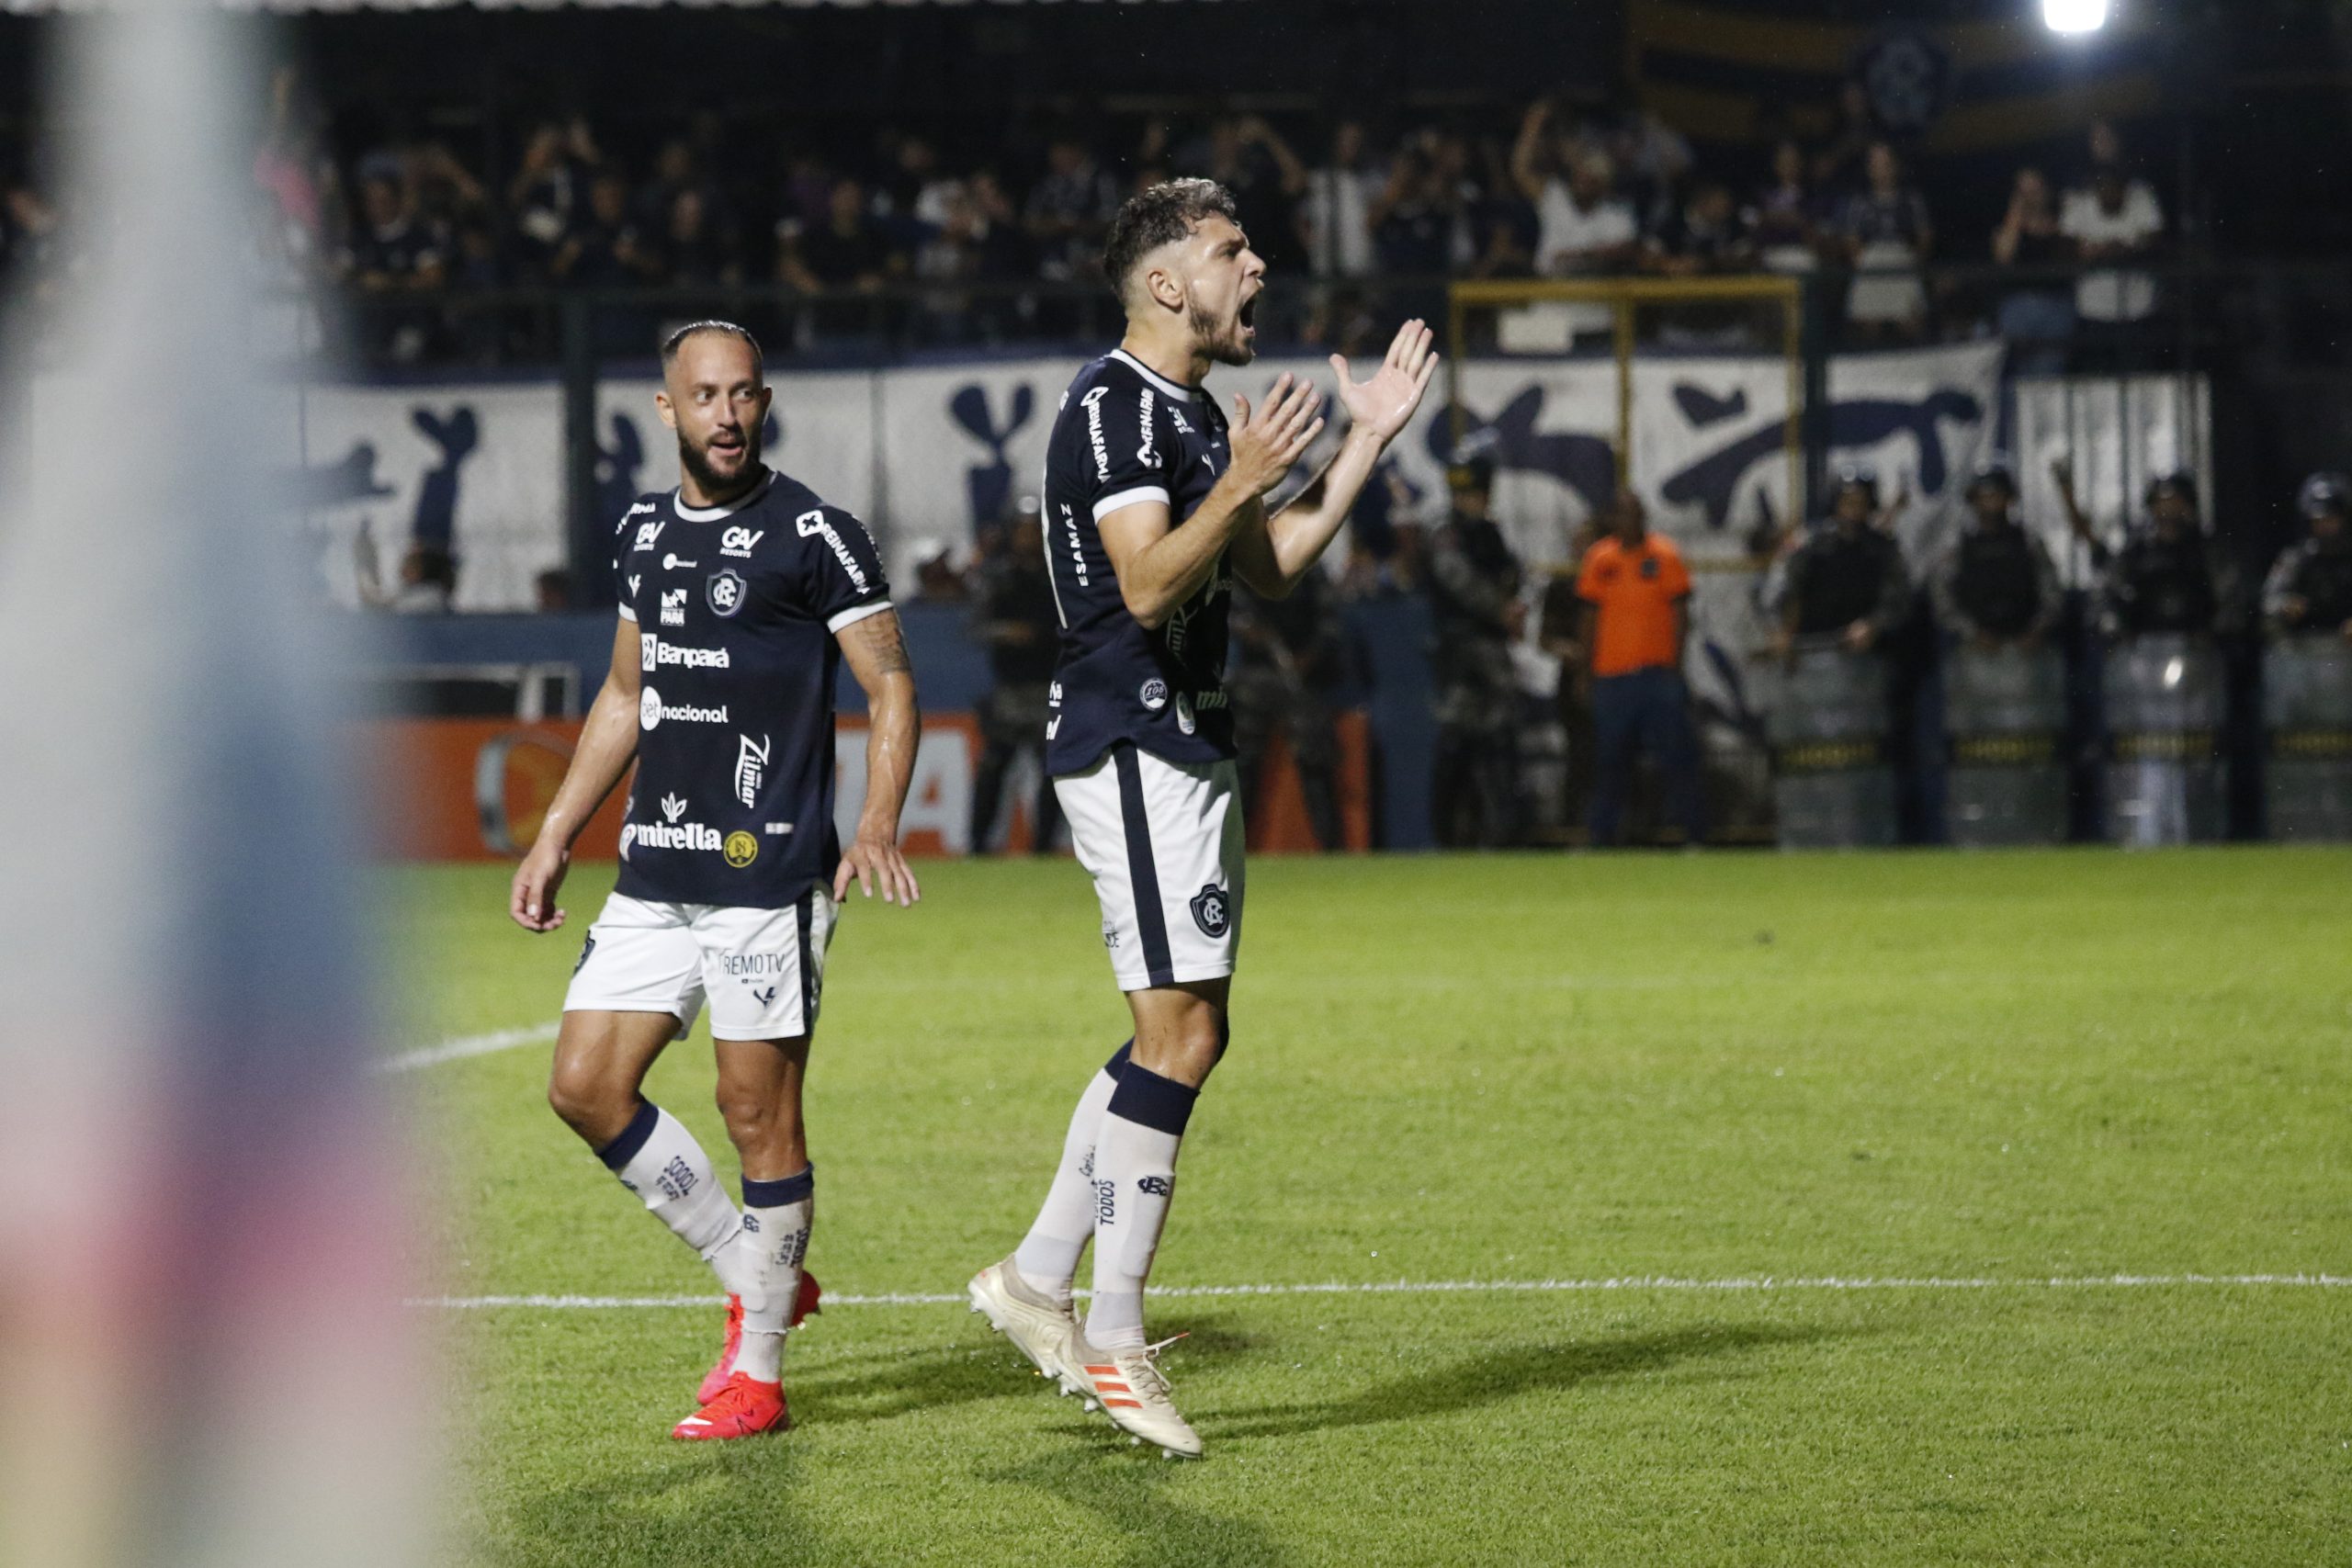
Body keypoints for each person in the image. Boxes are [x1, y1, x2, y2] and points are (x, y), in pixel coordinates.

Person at [965, 178, 1436, 1460]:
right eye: (1233, 251)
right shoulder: (1117, 403)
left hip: (1185, 739)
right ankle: (1110, 1331)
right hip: (1132, 738)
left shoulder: (1176, 409)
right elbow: (1143, 578)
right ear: (1167, 282)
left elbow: (1269, 568)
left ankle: (1033, 1279)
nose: (1260, 267)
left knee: (1176, 1032)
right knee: (1182, 1033)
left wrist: (1364, 441)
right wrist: (1236, 482)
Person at [507, 321, 922, 1443]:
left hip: (765, 878)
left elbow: (889, 685)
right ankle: (758, 1268)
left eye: (743, 395)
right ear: (666, 408)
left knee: (757, 1115)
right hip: (654, 870)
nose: (726, 416)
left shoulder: (815, 535)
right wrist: (556, 833)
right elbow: (621, 695)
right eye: (704, 397)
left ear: (765, 400)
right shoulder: (642, 531)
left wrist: (877, 817)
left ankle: (760, 1369)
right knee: (585, 1087)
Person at [1575, 490, 1702, 846]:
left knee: (1678, 755)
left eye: (1636, 514)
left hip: (1657, 675)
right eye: (1623, 515)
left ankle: (1692, 833)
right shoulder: (1600, 558)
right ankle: (1602, 835)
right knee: (1609, 760)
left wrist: (1675, 666)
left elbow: (1680, 613)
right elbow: (1589, 618)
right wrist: (1585, 672)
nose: (1631, 522)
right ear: (1613, 520)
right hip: (1612, 677)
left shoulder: (1664, 555)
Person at [1425, 431, 1525, 848]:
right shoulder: (1448, 531)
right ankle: (1449, 835)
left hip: (1488, 646)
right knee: (1458, 744)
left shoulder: (1489, 532)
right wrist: (1500, 608)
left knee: (1496, 742)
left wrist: (1512, 600)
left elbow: (1511, 573)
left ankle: (1500, 833)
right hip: (1459, 648)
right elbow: (1457, 579)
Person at [967, 498, 1065, 852]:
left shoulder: (1060, 573)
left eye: (1033, 530)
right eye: (1021, 530)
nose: (1027, 538)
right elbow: (976, 627)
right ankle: (978, 844)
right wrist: (1008, 632)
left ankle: (1044, 845)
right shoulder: (997, 575)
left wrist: (1048, 634)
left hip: (1048, 685)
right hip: (1010, 688)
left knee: (1052, 771)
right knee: (994, 767)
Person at [1775, 464, 1911, 660]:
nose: (1853, 511)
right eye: (1848, 502)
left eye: (1860, 502)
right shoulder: (1809, 543)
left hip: (1865, 653)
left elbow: (1899, 597)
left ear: (1870, 505)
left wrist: (1873, 624)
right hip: (1808, 649)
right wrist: (1780, 629)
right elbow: (1779, 588)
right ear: (1836, 503)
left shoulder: (1883, 548)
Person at [1930, 462, 2061, 649]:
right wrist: (1972, 632)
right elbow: (1942, 598)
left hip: (2025, 646)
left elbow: (2052, 593)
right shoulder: (1959, 547)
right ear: (1974, 501)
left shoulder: (2028, 543)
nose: (1991, 502)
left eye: (1996, 495)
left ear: (2009, 498)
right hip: (1974, 648)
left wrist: (2037, 630)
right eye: (1984, 497)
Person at [2084, 472, 2224, 639]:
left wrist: (2217, 629)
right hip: (2142, 650)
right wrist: (2109, 621)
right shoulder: (2136, 550)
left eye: (2176, 503)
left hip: (2197, 649)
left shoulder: (2206, 550)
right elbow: (2107, 587)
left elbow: (2229, 596)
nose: (2168, 511)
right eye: (2162, 504)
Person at [1991, 167, 2075, 375]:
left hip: (2055, 306)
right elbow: (2003, 256)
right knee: (2015, 376)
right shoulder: (2008, 227)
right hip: (2018, 308)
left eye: (2035, 190)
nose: (2030, 197)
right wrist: (2015, 217)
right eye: (2024, 192)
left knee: (2049, 376)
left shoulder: (2064, 222)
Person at [2263, 473, 2352, 641]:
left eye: (2331, 519)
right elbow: (2268, 602)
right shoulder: (2296, 558)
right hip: (2304, 648)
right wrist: (2285, 606)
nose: (2325, 526)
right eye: (2319, 520)